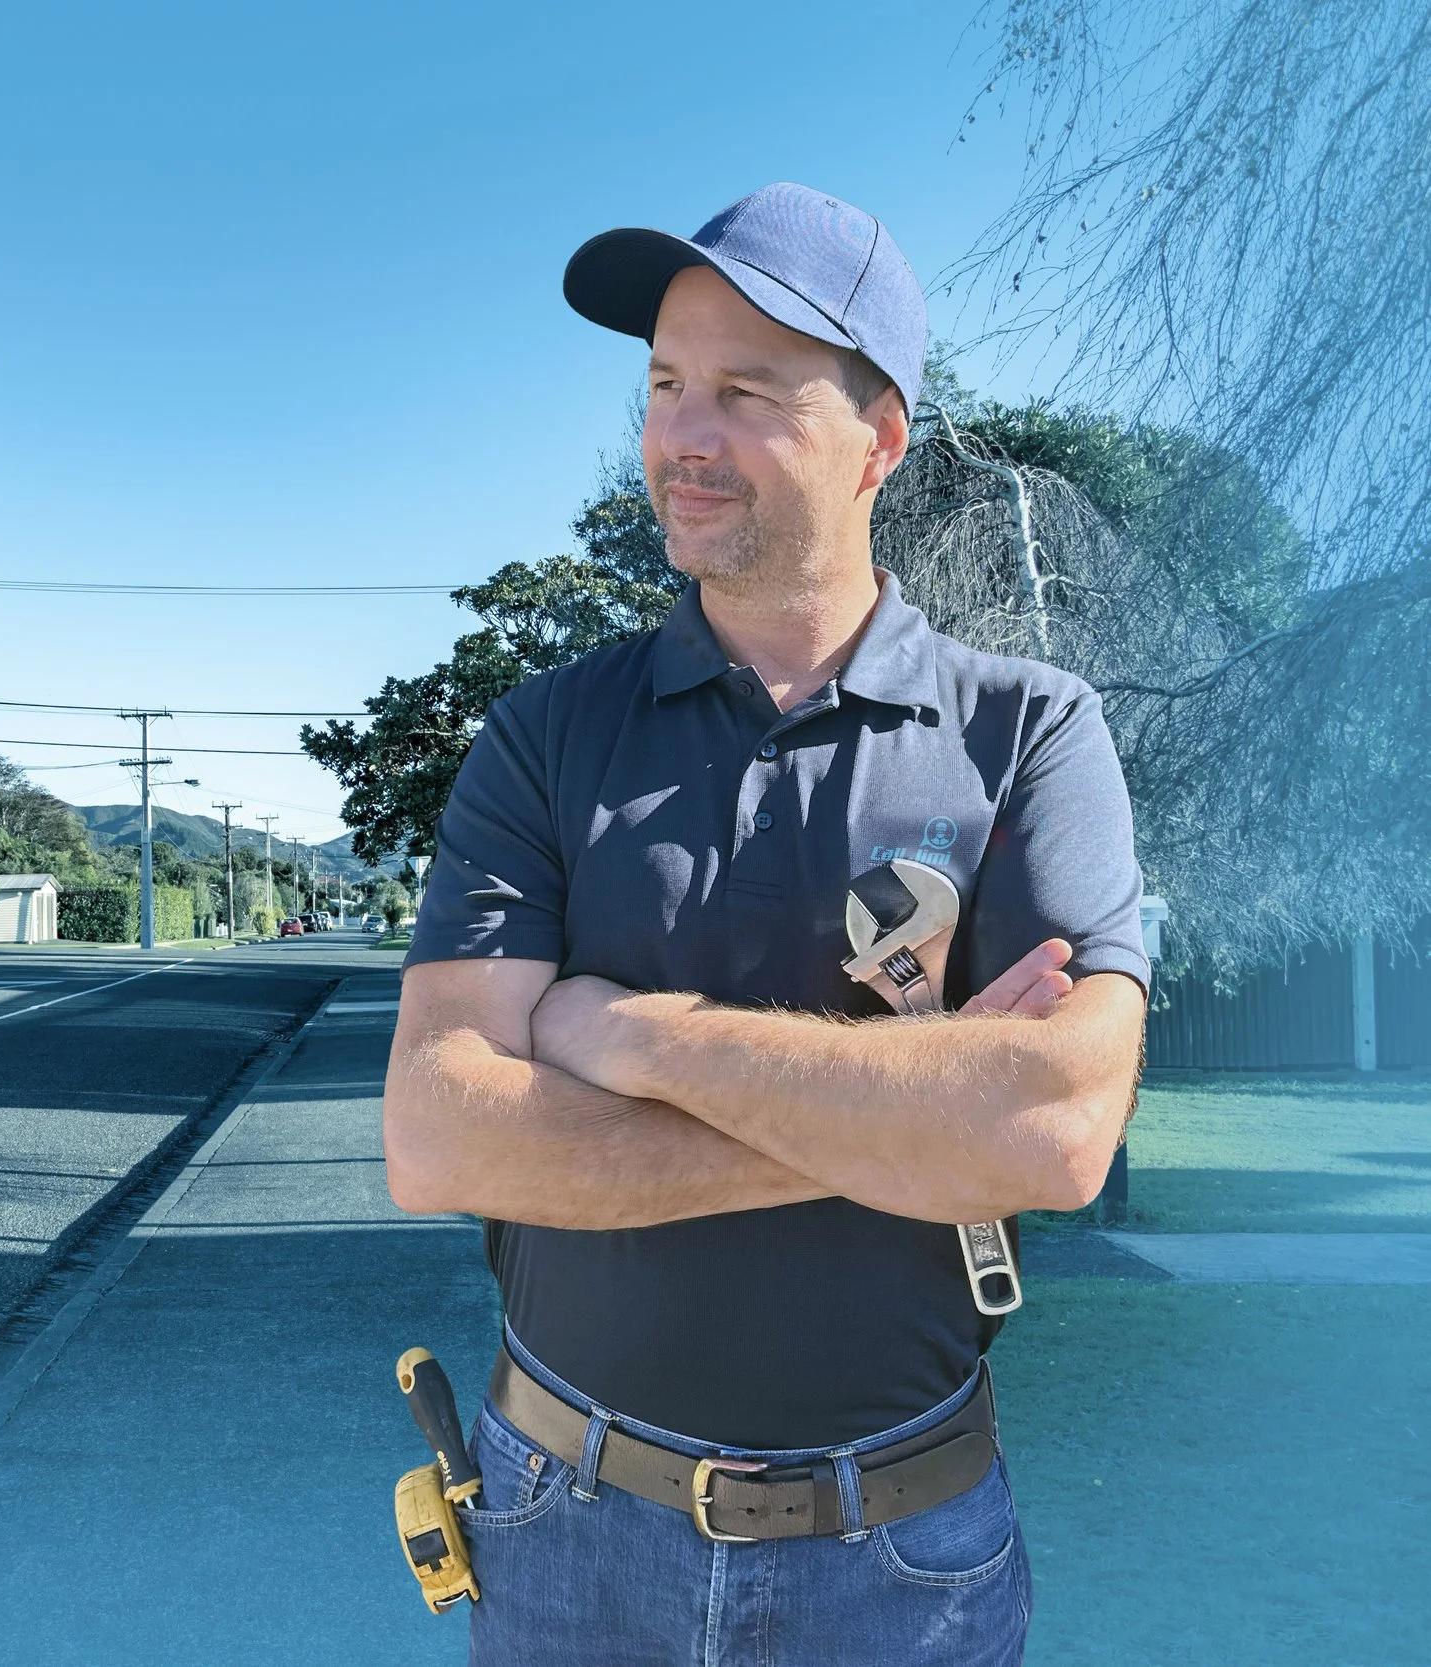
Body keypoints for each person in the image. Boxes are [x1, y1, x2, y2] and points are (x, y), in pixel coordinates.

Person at [381, 183, 1148, 1666]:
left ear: (879, 439)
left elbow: (1051, 1134)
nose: (680, 433)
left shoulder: (1028, 734)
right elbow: (444, 1133)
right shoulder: (546, 736)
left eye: (744, 390)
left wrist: (626, 1032)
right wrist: (906, 1121)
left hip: (903, 1558)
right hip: (563, 1527)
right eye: (665, 384)